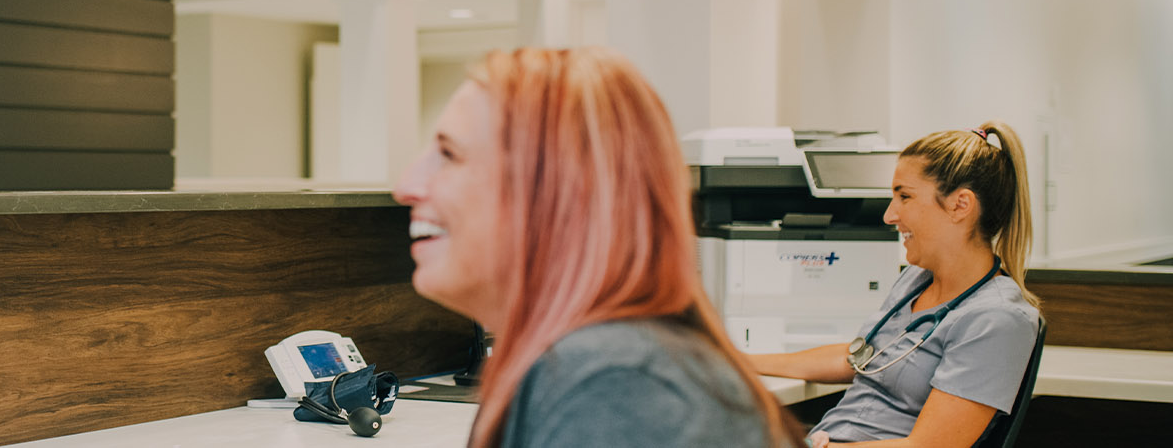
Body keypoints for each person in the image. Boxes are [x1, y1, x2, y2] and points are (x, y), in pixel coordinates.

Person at [395, 47, 799, 447]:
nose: (405, 187)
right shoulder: (613, 362)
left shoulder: (615, 382)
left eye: (448, 154)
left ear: (559, 193)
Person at [752, 123, 1042, 447]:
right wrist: (740, 362)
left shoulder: (998, 319)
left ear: (960, 205)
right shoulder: (916, 279)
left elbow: (928, 446)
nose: (889, 215)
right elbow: (859, 356)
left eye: (905, 196)